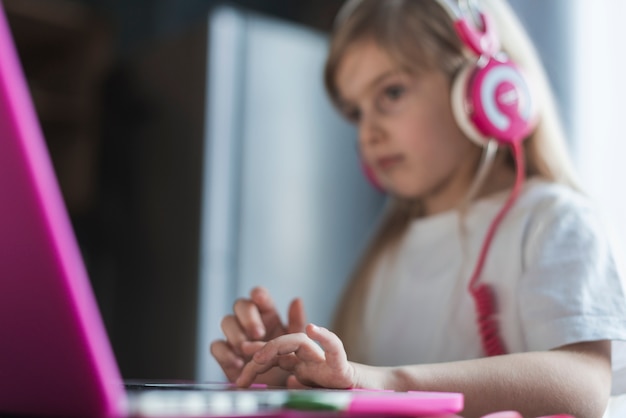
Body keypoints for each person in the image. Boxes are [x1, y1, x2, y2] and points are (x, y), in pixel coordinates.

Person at [210, 1, 626, 417]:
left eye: (391, 92)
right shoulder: (386, 253)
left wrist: (390, 385)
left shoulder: (551, 220)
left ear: (486, 88)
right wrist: (294, 373)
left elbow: (584, 384)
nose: (368, 132)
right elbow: (359, 389)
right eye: (356, 112)